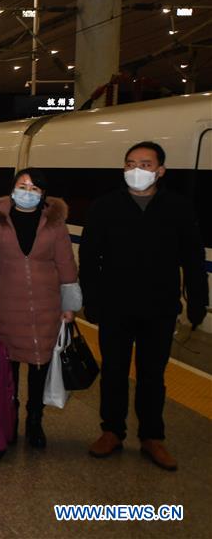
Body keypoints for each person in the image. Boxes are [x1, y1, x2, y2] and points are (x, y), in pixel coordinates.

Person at [80, 141, 207, 471]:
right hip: (115, 306)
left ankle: (152, 436)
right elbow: (90, 258)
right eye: (130, 163)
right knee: (114, 371)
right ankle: (112, 431)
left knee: (153, 374)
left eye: (146, 164)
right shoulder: (105, 206)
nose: (137, 170)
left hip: (159, 307)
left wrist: (197, 302)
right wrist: (91, 300)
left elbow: (193, 258)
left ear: (161, 170)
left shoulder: (178, 208)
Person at [0, 168, 81, 449]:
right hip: (5, 302)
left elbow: (66, 263)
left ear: (43, 194)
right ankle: (9, 417)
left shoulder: (54, 223)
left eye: (34, 189)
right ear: (12, 188)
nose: (28, 192)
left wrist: (69, 305)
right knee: (7, 366)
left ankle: (35, 420)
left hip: (45, 306)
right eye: (22, 186)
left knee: (39, 363)